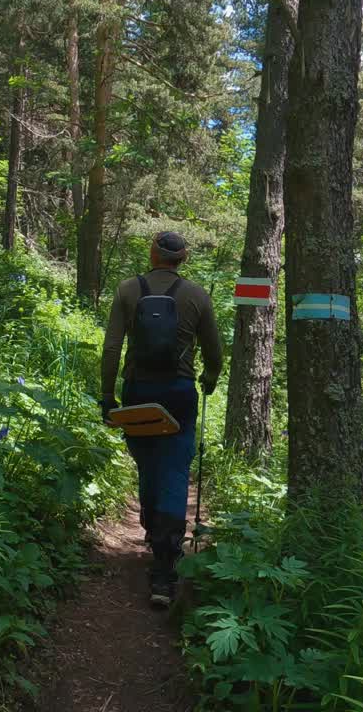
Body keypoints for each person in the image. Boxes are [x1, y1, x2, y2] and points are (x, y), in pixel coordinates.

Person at [99, 231, 222, 607]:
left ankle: (155, 530)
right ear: (182, 259)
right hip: (180, 393)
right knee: (173, 467)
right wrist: (210, 377)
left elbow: (112, 347)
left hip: (138, 392)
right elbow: (215, 351)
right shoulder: (198, 296)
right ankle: (165, 567)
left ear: (152, 253)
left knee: (149, 462)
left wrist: (108, 396)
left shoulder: (126, 290)